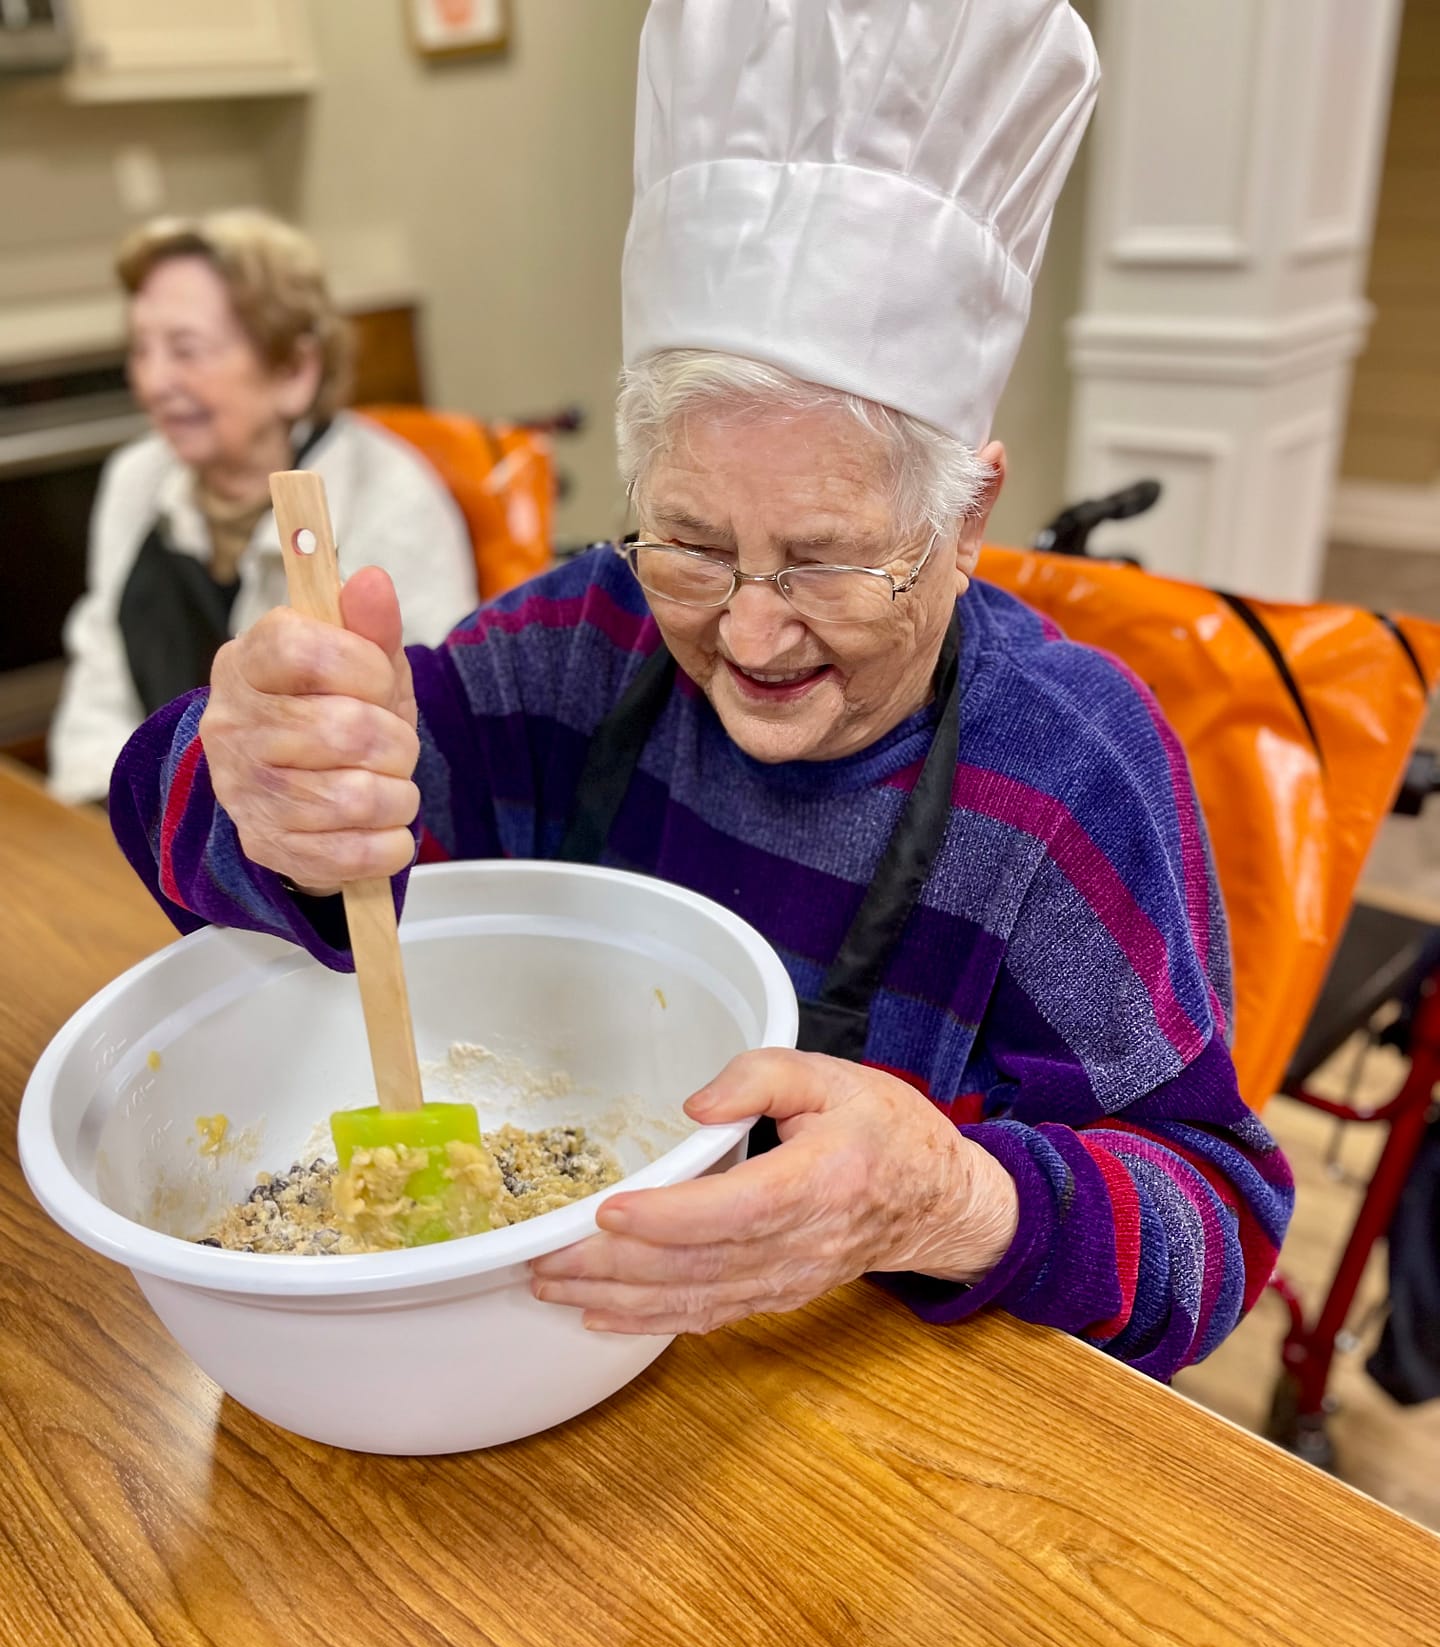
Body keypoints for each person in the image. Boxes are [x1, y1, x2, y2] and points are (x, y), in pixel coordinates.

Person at [110, 0, 1292, 1378]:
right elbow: (207, 832)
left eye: (827, 561)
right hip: (540, 1359)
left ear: (967, 522)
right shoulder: (578, 650)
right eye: (691, 543)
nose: (750, 631)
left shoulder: (1068, 771)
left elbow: (1217, 1227)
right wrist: (262, 782)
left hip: (886, 1434)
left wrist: (951, 1196)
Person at [47, 209, 476, 805]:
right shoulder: (136, 478)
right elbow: (102, 686)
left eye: (185, 350)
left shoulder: (393, 498)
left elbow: (424, 743)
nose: (152, 382)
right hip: (148, 834)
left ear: (294, 370)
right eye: (140, 349)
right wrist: (104, 817)